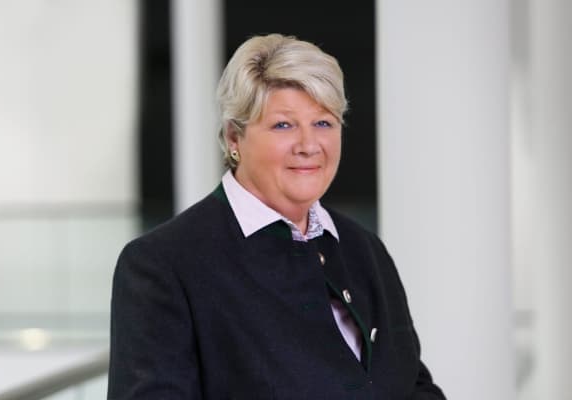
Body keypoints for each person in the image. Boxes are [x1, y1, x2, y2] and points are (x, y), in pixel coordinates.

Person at [108, 33, 445, 399]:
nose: (309, 145)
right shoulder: (163, 265)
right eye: (284, 125)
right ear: (234, 138)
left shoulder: (363, 248)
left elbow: (414, 386)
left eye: (324, 123)